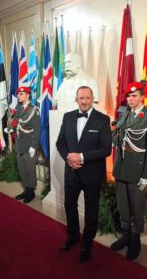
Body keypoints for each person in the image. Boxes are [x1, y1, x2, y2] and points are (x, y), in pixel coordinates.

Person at [56, 86, 112, 263]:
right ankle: (73, 237)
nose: (84, 101)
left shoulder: (103, 119)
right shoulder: (68, 117)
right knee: (70, 206)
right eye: (81, 98)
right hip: (71, 173)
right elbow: (60, 143)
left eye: (87, 98)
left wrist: (81, 157)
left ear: (92, 98)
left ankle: (87, 244)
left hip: (92, 175)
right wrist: (69, 158)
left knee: (91, 212)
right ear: (76, 99)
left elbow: (106, 149)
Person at [110, 82, 147, 260]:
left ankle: (136, 238)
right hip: (121, 166)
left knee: (136, 206)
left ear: (142, 97)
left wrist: (146, 175)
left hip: (137, 169)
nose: (130, 99)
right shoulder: (124, 114)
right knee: (123, 204)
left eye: (134, 96)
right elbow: (118, 137)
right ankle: (126, 235)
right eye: (129, 96)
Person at [5, 86, 41, 203]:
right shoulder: (20, 109)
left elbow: (37, 129)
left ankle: (31, 192)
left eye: (21, 94)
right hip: (19, 145)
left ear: (27, 95)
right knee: (22, 169)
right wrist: (12, 129)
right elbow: (20, 125)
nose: (18, 96)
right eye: (18, 94)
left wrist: (34, 146)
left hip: (29, 145)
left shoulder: (34, 110)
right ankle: (26, 190)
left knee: (30, 169)